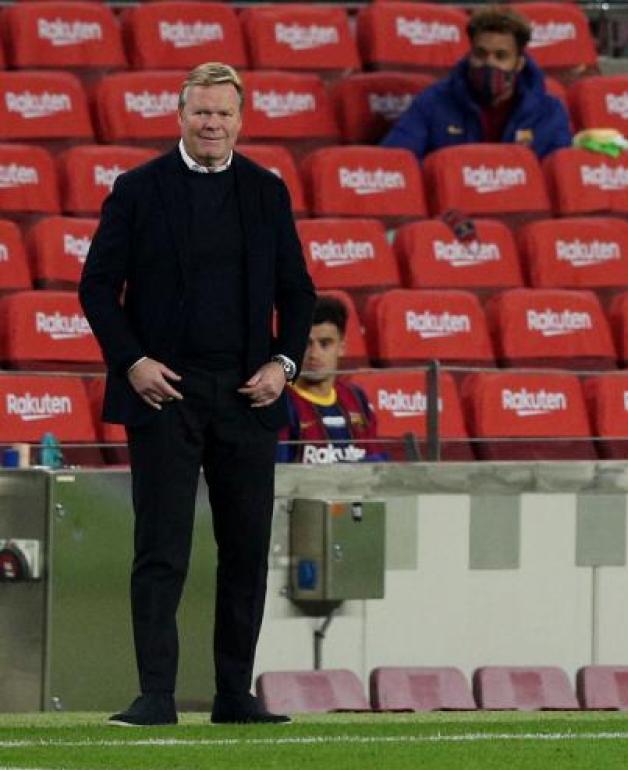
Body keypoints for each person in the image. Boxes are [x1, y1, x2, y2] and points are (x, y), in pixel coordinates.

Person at [79, 62, 316, 727]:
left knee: (245, 548)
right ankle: (155, 694)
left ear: (241, 120)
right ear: (179, 116)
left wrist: (285, 364)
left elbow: (297, 292)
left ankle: (234, 695)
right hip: (165, 394)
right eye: (201, 112)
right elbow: (97, 288)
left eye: (223, 113)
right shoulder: (137, 190)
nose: (212, 123)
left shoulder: (267, 193)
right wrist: (131, 362)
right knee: (162, 549)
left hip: (250, 395)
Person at [381, 5, 571, 159]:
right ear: (469, 54)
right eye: (480, 54)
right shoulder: (432, 103)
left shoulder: (549, 112)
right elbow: (397, 162)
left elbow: (558, 177)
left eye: (501, 56)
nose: (489, 63)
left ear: (519, 63)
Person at [278, 295, 381, 464]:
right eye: (305, 344)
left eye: (325, 344)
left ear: (341, 347)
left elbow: (378, 466)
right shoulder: (280, 402)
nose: (314, 354)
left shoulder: (356, 398)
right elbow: (278, 475)